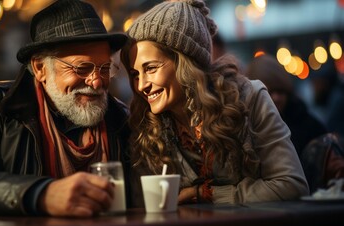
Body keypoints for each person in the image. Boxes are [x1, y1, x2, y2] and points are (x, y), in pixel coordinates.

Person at [0, 0, 131, 218]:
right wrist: (41, 194)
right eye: (82, 68)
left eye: (104, 69)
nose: (97, 82)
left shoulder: (119, 118)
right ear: (40, 68)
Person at [120, 0, 309, 206]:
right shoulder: (144, 125)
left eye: (151, 68)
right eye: (134, 74)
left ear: (185, 61)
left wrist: (208, 194)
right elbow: (143, 207)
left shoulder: (248, 98)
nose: (141, 85)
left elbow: (291, 184)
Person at [245, 54, 328, 157]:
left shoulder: (309, 126)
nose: (276, 97)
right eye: (269, 92)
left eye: (280, 91)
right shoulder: (247, 131)